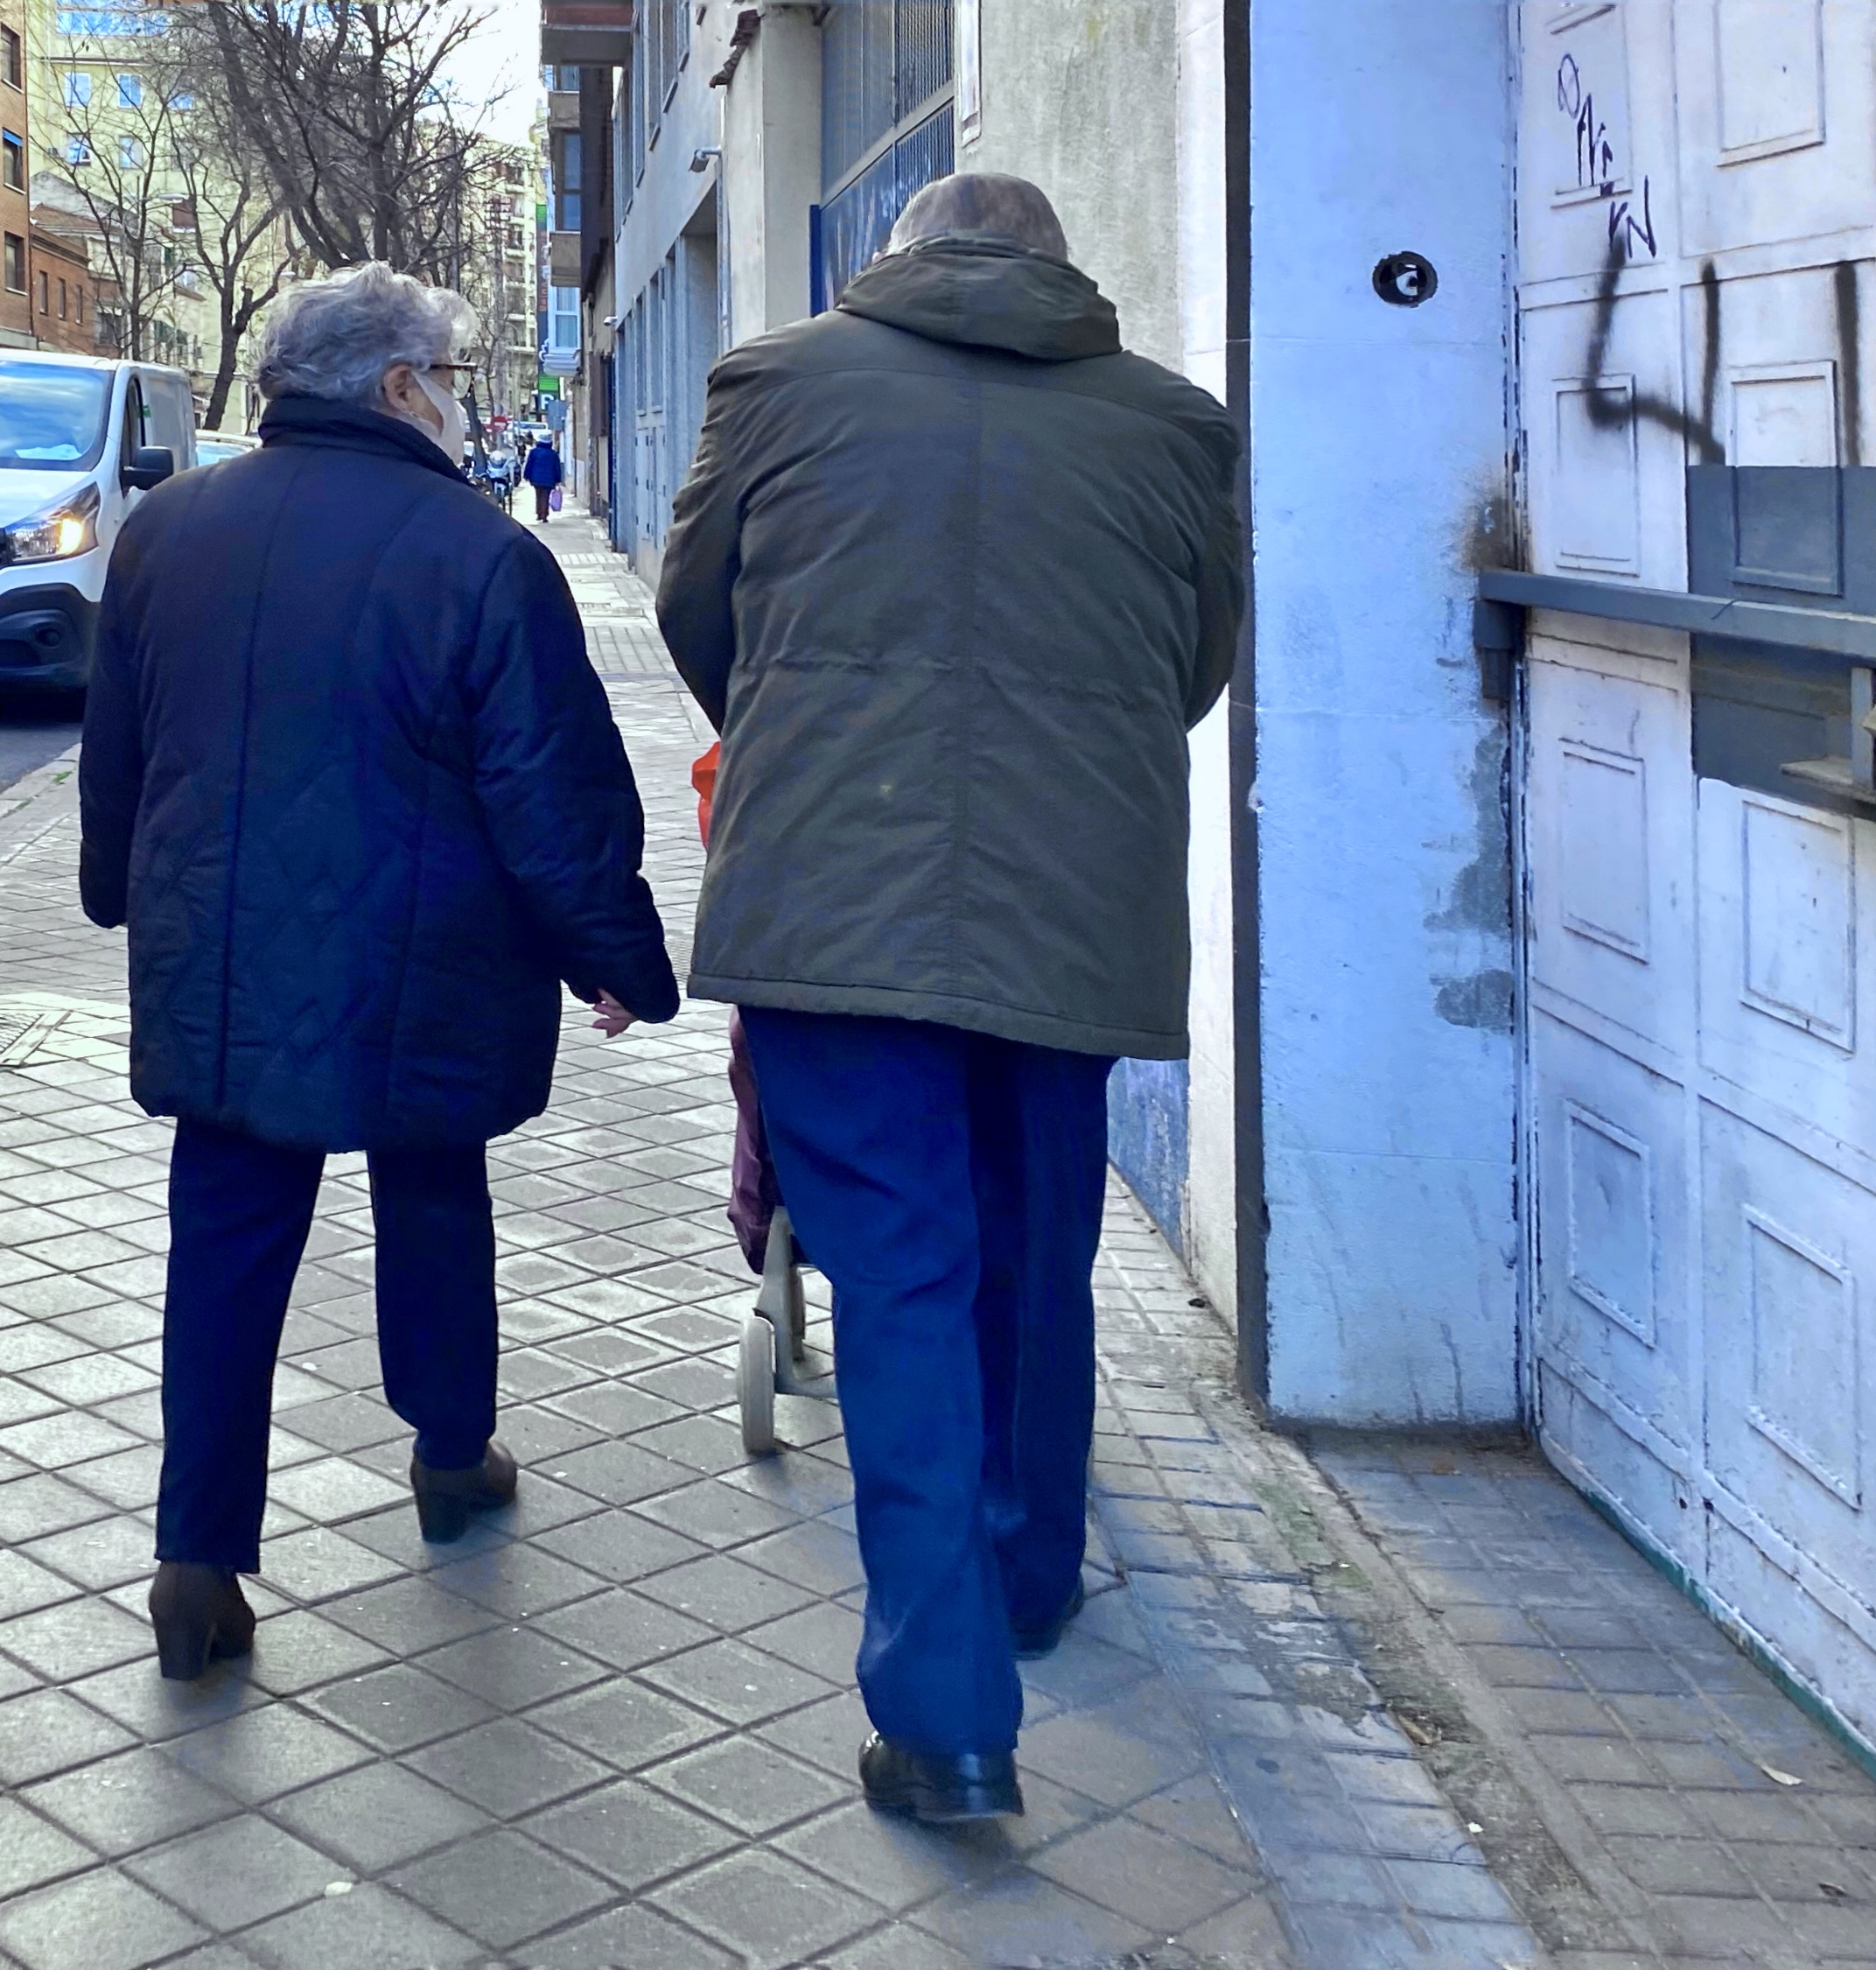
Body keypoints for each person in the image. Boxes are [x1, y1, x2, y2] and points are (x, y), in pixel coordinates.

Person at [657, 173, 1245, 1822]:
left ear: (894, 259)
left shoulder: (776, 381)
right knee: (1036, 1244)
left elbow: (701, 621)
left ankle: (944, 1715)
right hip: (1069, 910)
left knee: (900, 1279)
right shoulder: (1170, 424)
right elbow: (1189, 665)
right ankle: (1029, 1565)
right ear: (1063, 270)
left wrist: (824, 746)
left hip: (834, 906)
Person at [81, 263, 680, 1682]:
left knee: (223, 1237)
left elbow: (122, 748)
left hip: (219, 956)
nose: (460, 398)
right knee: (431, 1190)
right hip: (425, 960)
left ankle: (196, 1560)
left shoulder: (166, 533)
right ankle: (451, 1451)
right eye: (450, 374)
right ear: (400, 386)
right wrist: (611, 954)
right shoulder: (477, 554)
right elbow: (552, 790)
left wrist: (117, 891)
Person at [522, 434, 564, 520]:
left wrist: (526, 475)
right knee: (546, 496)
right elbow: (557, 468)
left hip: (536, 478)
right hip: (549, 479)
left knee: (538, 495)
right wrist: (558, 479)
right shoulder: (553, 454)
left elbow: (529, 464)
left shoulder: (534, 452)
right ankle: (544, 514)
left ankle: (539, 513)